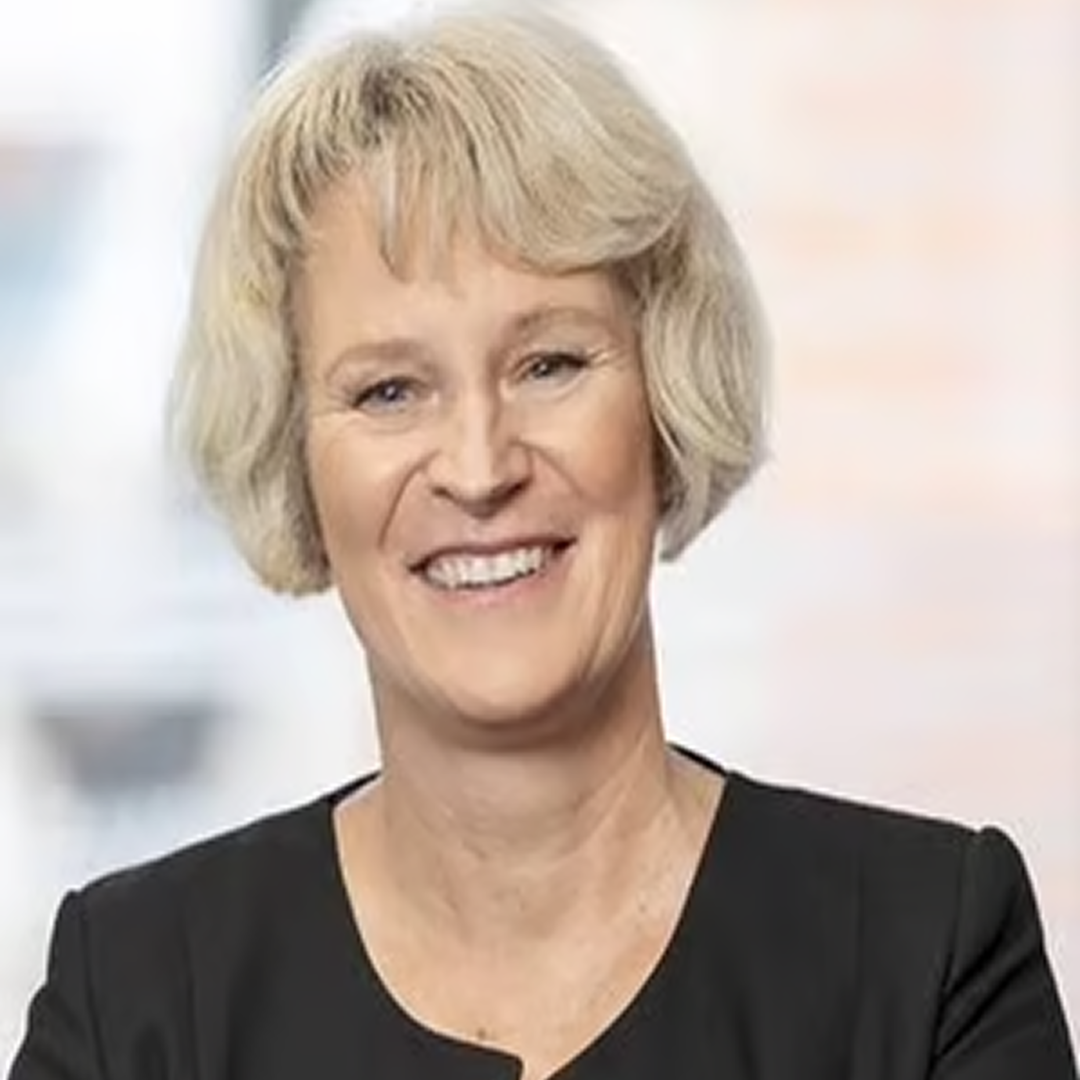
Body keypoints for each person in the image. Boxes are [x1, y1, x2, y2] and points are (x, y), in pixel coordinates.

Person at [9, 6, 1076, 1079]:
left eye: (550, 365)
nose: (480, 469)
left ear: (664, 391)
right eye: (389, 391)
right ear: (295, 454)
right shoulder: (136, 1001)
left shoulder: (929, 956)